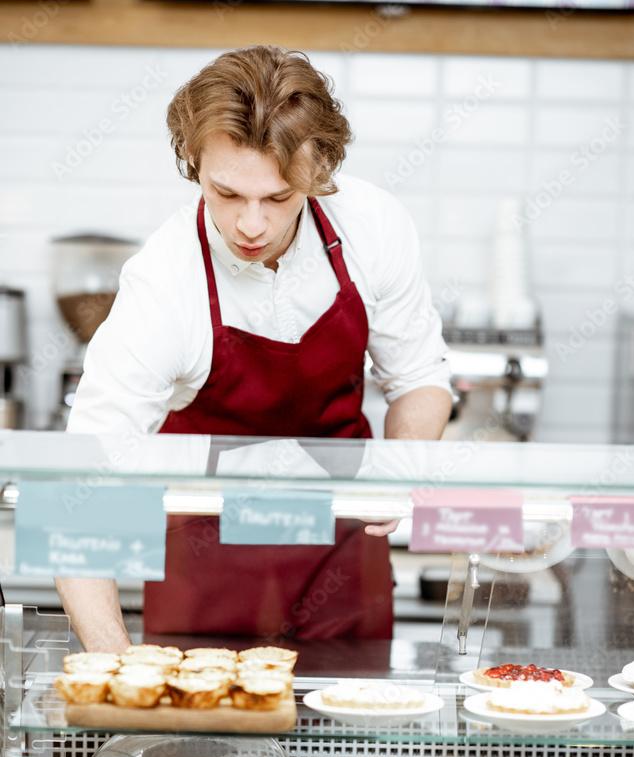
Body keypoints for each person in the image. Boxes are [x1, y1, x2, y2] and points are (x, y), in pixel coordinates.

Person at [57, 45, 453, 652]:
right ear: (192, 161)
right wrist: (117, 666)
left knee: (355, 741)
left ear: (318, 171)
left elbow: (421, 378)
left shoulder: (372, 225)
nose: (250, 225)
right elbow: (82, 484)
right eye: (227, 194)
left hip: (342, 557)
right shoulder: (163, 285)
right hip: (204, 565)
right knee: (197, 747)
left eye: (278, 198)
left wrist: (400, 471)